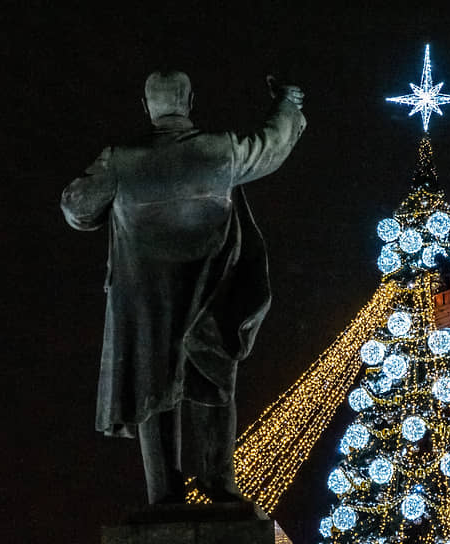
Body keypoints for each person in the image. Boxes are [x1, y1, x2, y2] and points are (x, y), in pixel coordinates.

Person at [60, 70, 306, 504]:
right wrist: (287, 101)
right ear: (191, 101)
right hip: (209, 298)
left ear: (147, 106)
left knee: (153, 392)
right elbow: (271, 146)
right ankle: (219, 483)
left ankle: (163, 494)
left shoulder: (122, 160)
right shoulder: (219, 151)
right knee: (214, 383)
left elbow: (78, 209)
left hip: (147, 307)